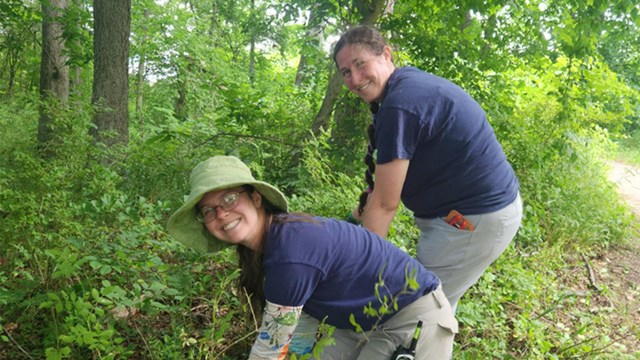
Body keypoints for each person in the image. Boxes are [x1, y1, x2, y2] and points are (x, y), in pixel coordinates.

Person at [166, 155, 458, 360]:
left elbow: (271, 349)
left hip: (412, 319)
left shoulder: (288, 252)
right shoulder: (275, 242)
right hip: (360, 323)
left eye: (229, 199)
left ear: (255, 198)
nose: (221, 214)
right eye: (208, 210)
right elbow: (301, 319)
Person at [333, 25, 523, 311]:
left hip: (472, 221)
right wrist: (348, 226)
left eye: (360, 64)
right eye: (346, 71)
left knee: (417, 308)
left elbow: (385, 204)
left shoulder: (400, 105)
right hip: (470, 215)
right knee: (436, 304)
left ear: (386, 54)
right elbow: (381, 189)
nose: (355, 78)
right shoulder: (405, 86)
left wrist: (358, 272)